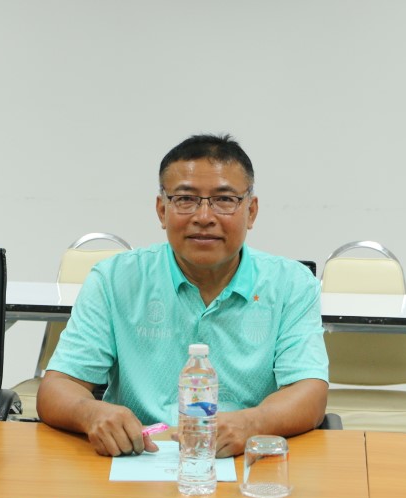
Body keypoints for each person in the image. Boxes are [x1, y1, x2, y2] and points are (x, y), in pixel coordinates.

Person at [37, 134, 328, 458]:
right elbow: (57, 387)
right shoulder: (115, 280)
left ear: (252, 211)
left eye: (224, 200)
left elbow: (309, 391)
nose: (204, 217)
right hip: (135, 458)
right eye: (185, 199)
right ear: (162, 210)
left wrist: (252, 423)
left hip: (245, 459)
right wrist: (91, 413)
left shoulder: (291, 284)